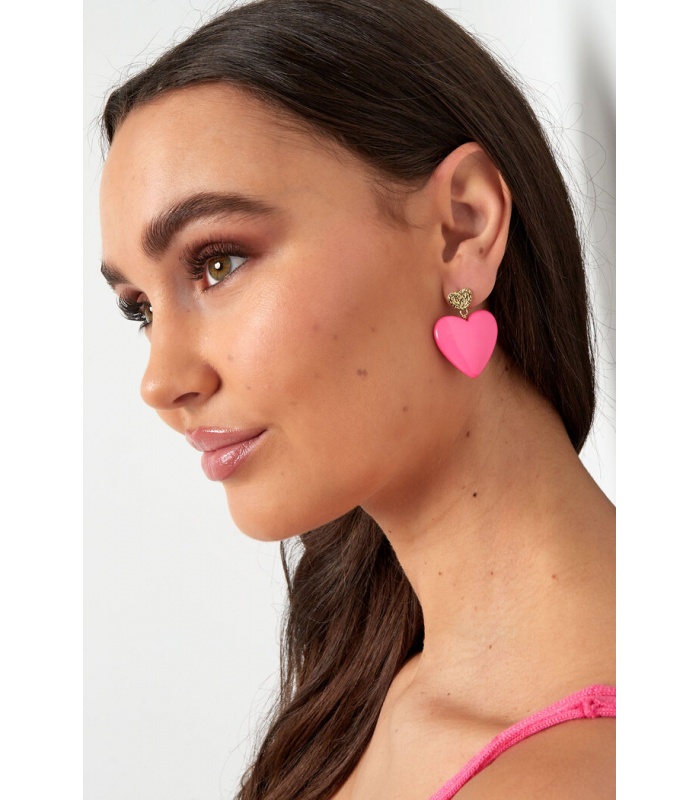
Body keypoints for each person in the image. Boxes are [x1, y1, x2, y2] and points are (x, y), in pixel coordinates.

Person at [97, 0, 615, 797]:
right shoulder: (369, 682)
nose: (161, 383)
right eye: (140, 309)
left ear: (463, 228)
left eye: (218, 261)